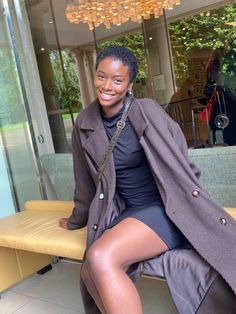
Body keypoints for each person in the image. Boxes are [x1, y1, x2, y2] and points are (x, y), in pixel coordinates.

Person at [59, 45, 236, 314]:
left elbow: (181, 165)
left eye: (117, 80)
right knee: (88, 271)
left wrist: (193, 206)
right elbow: (85, 185)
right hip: (126, 214)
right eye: (101, 76)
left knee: (100, 256)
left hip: (165, 210)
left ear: (129, 85)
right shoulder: (84, 122)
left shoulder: (147, 111)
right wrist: (75, 220)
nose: (107, 85)